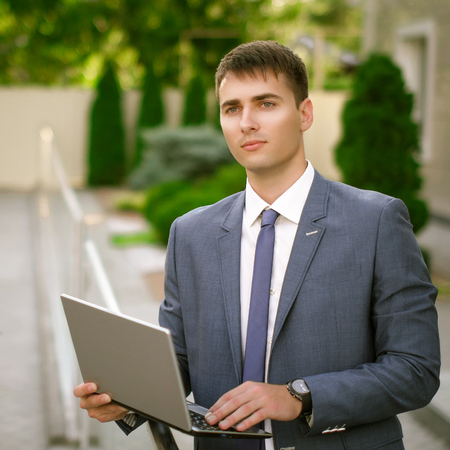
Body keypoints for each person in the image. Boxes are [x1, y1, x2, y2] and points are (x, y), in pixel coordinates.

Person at [74, 40, 440, 450]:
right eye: (232, 108)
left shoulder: (376, 221)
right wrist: (127, 398)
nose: (246, 121)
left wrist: (298, 396)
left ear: (304, 114)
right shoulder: (190, 233)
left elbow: (415, 370)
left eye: (266, 103)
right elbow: (178, 361)